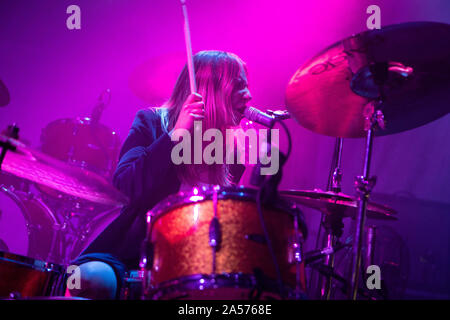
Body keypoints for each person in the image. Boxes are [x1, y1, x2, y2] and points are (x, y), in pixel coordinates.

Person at [66, 50, 252, 299]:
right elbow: (125, 189)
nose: (249, 96)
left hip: (192, 263)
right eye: (239, 86)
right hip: (130, 254)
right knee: (90, 278)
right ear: (210, 89)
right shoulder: (151, 122)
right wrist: (175, 135)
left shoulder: (233, 151)